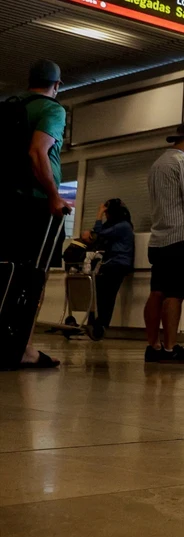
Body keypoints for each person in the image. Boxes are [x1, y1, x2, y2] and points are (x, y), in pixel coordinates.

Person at [1, 59, 71, 369]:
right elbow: (37, 151)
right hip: (35, 204)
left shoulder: (10, 108)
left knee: (6, 271)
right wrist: (54, 196)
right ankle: (24, 348)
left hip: (7, 202)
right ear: (57, 85)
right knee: (34, 277)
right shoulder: (53, 109)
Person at [143, 121, 184, 364]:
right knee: (175, 295)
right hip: (180, 238)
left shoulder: (158, 163)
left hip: (158, 240)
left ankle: (154, 346)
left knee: (157, 292)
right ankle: (171, 349)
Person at [82, 198, 135, 336]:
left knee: (107, 295)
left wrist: (99, 214)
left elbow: (99, 233)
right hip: (111, 263)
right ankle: (96, 324)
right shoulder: (119, 225)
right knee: (101, 294)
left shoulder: (123, 226)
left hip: (117, 264)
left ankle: (101, 325)